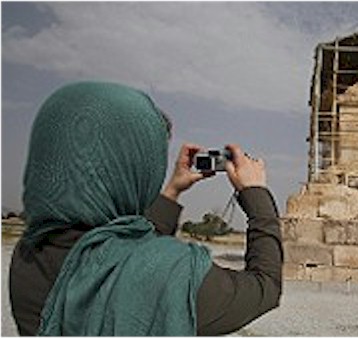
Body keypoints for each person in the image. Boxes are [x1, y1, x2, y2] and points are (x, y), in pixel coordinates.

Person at [9, 81, 282, 336]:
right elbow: (265, 287)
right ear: (136, 168)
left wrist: (172, 190)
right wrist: (256, 194)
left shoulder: (26, 257)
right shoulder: (171, 275)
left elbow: (127, 249)